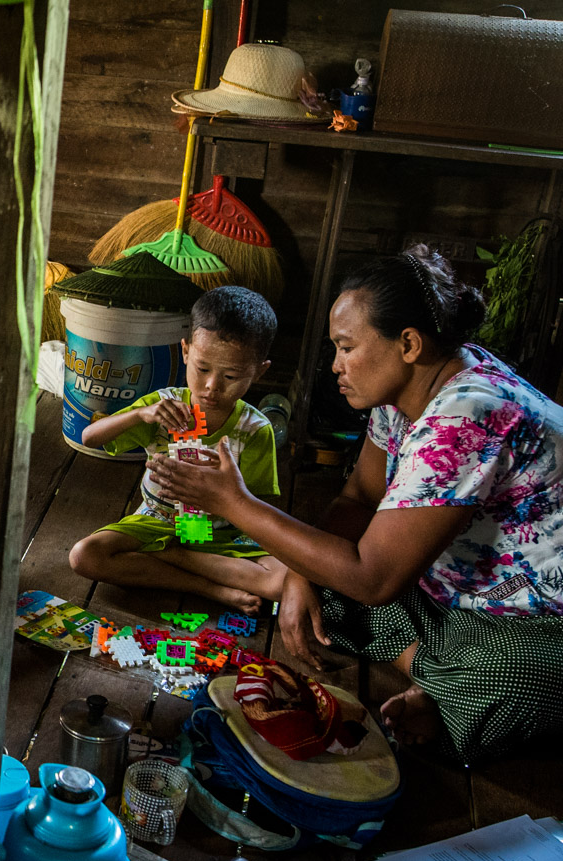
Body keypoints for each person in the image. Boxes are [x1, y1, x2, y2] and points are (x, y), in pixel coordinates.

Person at [149, 246, 563, 763]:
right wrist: (301, 576)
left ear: (408, 344)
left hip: (535, 622)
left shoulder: (468, 415)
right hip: (440, 590)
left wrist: (232, 502)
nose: (335, 365)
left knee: (509, 680)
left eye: (346, 347)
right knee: (315, 588)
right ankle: (438, 672)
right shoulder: (407, 392)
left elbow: (373, 579)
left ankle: (437, 679)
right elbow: (359, 497)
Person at [69, 286, 284, 614]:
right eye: (202, 368)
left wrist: (223, 488)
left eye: (231, 375)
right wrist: (140, 414)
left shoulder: (255, 430)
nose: (212, 386)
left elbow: (258, 509)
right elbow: (89, 437)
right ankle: (206, 587)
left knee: (280, 581)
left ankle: (169, 554)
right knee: (84, 556)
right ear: (185, 351)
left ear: (260, 371)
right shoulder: (162, 405)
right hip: (157, 521)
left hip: (220, 535)